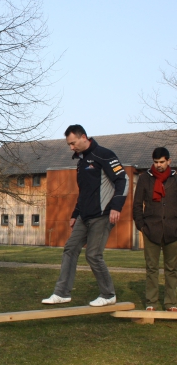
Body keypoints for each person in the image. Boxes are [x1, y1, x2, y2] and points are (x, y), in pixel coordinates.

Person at [42, 124, 129, 306]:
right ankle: (62, 293)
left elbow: (123, 180)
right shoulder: (81, 162)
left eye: (73, 143)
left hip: (103, 215)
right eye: (69, 145)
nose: (71, 148)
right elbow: (84, 192)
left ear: (84, 137)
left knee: (93, 255)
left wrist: (116, 207)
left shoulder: (104, 154)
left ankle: (108, 295)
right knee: (70, 249)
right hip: (84, 216)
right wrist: (75, 213)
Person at [133, 147, 177, 312]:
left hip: (173, 231)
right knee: (151, 267)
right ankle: (151, 302)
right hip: (151, 230)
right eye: (156, 162)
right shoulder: (145, 179)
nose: (158, 165)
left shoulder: (175, 179)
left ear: (168, 161)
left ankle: (171, 303)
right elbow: (137, 205)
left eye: (162, 162)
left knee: (171, 269)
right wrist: (141, 226)